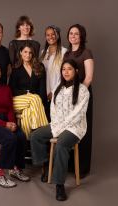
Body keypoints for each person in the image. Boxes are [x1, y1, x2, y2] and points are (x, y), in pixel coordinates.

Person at [30, 59, 90, 201]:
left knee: (61, 145)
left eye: (69, 69)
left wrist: (61, 128)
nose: (66, 72)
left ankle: (59, 185)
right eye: (63, 69)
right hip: (57, 124)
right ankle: (46, 165)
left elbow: (78, 114)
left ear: (76, 71)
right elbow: (53, 109)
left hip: (74, 127)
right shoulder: (58, 87)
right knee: (35, 136)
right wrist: (57, 125)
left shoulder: (82, 90)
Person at [63, 24, 94, 178]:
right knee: (70, 128)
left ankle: (82, 168)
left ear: (81, 36)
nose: (73, 36)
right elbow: (65, 76)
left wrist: (79, 94)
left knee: (83, 129)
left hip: (83, 94)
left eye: (76, 34)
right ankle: (70, 165)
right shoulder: (67, 54)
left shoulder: (86, 53)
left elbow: (88, 77)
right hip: (68, 95)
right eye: (71, 33)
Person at [9, 43, 48, 138]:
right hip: (18, 101)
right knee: (34, 98)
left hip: (34, 104)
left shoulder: (39, 67)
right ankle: (39, 129)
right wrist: (26, 93)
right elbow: (11, 89)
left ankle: (26, 144)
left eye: (30, 53)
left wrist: (42, 102)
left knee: (27, 113)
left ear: (33, 54)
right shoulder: (16, 69)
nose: (28, 55)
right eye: (25, 52)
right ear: (20, 53)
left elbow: (42, 90)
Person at [40, 25, 67, 120]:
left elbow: (65, 75)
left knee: (57, 122)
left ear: (58, 35)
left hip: (57, 93)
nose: (50, 37)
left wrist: (54, 92)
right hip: (44, 94)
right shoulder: (43, 53)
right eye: (48, 35)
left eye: (53, 34)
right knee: (45, 121)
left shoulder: (64, 52)